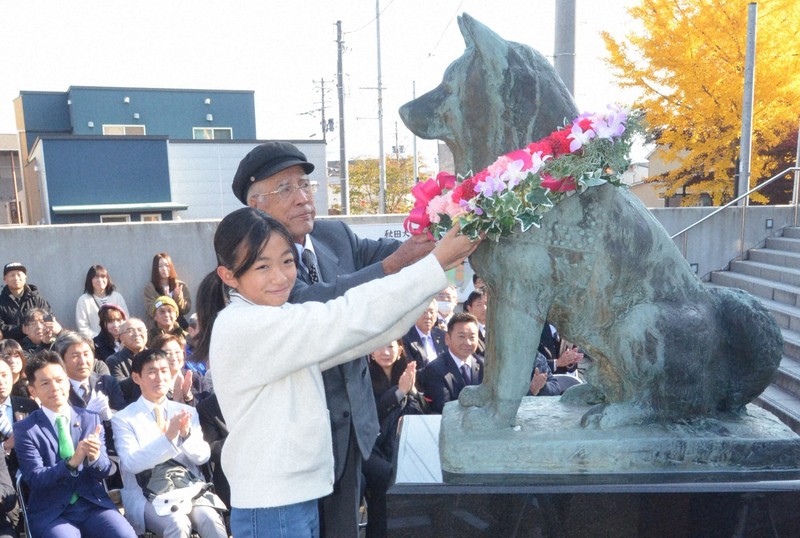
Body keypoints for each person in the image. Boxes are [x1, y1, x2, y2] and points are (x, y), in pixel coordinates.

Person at [194, 207, 477, 538]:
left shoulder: (270, 314)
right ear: (229, 276)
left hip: (290, 500)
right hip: (274, 509)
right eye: (262, 267)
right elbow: (346, 318)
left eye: (287, 262)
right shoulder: (248, 325)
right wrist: (434, 265)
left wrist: (432, 276)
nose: (280, 276)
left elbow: (367, 335)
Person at [231, 141, 436, 538]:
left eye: (305, 184)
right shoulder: (255, 268)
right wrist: (395, 265)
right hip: (300, 448)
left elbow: (385, 252)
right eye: (285, 189)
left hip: (355, 430)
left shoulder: (333, 234)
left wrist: (440, 230)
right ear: (255, 206)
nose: (302, 197)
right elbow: (319, 305)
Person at [12, 351, 137, 538]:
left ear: (68, 382)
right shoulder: (26, 429)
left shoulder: (90, 418)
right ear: (33, 391)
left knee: (124, 534)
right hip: (53, 512)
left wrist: (94, 458)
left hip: (92, 504)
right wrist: (71, 462)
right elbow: (35, 479)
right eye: (45, 383)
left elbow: (105, 471)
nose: (55, 388)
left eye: (59, 380)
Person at [111, 349, 227, 538]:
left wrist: (186, 435)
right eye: (151, 372)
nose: (160, 378)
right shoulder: (124, 418)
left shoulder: (183, 410)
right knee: (178, 524)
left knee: (210, 520)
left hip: (188, 487)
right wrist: (168, 438)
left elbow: (202, 456)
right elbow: (132, 463)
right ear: (136, 377)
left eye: (164, 371)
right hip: (146, 493)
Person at [363, 340, 426, 538]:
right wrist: (399, 392)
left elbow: (423, 410)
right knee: (386, 475)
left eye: (390, 346)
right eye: (379, 346)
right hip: (372, 448)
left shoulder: (407, 375)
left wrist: (412, 390)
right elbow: (371, 413)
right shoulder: (364, 376)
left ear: (399, 350)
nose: (385, 352)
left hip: (401, 445)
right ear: (371, 352)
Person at [421, 312, 485, 414]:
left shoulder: (485, 366)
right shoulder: (435, 369)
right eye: (461, 336)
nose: (467, 342)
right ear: (447, 339)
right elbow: (443, 407)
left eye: (472, 337)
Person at [0, 358, 37, 532]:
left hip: (32, 473)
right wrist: (6, 446)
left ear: (13, 377)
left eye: (4, 375)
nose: (1, 381)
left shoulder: (29, 405)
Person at [0, 262, 52, 343]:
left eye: (19, 274)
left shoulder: (37, 298)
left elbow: (49, 319)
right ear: (5, 279)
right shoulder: (1, 301)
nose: (16, 278)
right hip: (12, 348)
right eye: (12, 275)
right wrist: (22, 329)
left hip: (39, 345)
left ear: (25, 277)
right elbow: (1, 328)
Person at [75, 265, 130, 338]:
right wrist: (101, 340)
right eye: (96, 277)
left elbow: (126, 320)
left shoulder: (117, 297)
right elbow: (83, 327)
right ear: (90, 280)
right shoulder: (83, 300)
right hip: (97, 344)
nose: (100, 280)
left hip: (119, 341)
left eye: (103, 276)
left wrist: (119, 337)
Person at [144, 253, 192, 329]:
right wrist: (165, 300)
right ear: (156, 269)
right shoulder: (150, 288)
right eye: (160, 266)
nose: (164, 269)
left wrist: (178, 297)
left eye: (167, 265)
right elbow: (151, 310)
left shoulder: (180, 285)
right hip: (159, 328)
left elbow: (186, 309)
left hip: (179, 325)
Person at [401, 299, 447, 371]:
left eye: (431, 312)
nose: (428, 316)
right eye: (423, 312)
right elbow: (410, 367)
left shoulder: (443, 335)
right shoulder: (405, 337)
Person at [464, 288, 488, 359]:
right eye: (479, 305)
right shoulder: (466, 330)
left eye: (487, 303)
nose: (484, 308)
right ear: (469, 308)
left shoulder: (497, 329)